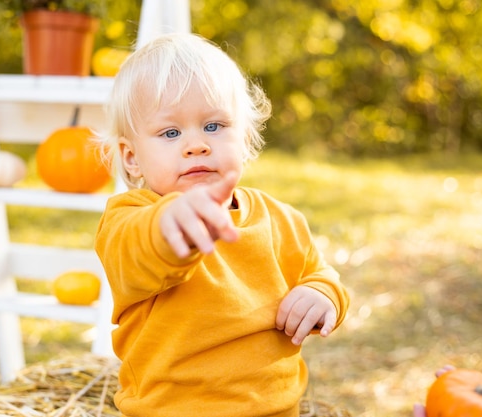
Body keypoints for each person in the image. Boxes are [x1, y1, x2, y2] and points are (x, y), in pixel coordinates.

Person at [94, 32, 350, 417]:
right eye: (170, 132)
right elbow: (137, 251)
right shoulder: (130, 218)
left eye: (213, 126)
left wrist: (323, 295)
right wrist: (173, 222)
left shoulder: (280, 219)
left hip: (277, 410)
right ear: (132, 159)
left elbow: (320, 273)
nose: (196, 144)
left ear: (244, 138)